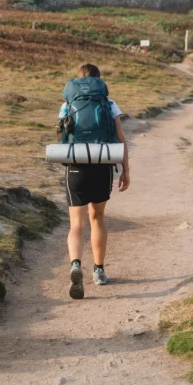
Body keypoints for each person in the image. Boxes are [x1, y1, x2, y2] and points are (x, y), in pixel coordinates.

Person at [57, 63, 130, 299]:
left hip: (76, 165)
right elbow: (120, 138)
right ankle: (98, 271)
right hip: (103, 163)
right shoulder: (108, 103)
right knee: (97, 217)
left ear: (77, 80)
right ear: (99, 80)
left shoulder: (68, 103)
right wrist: (125, 170)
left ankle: (75, 264)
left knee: (76, 224)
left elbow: (62, 135)